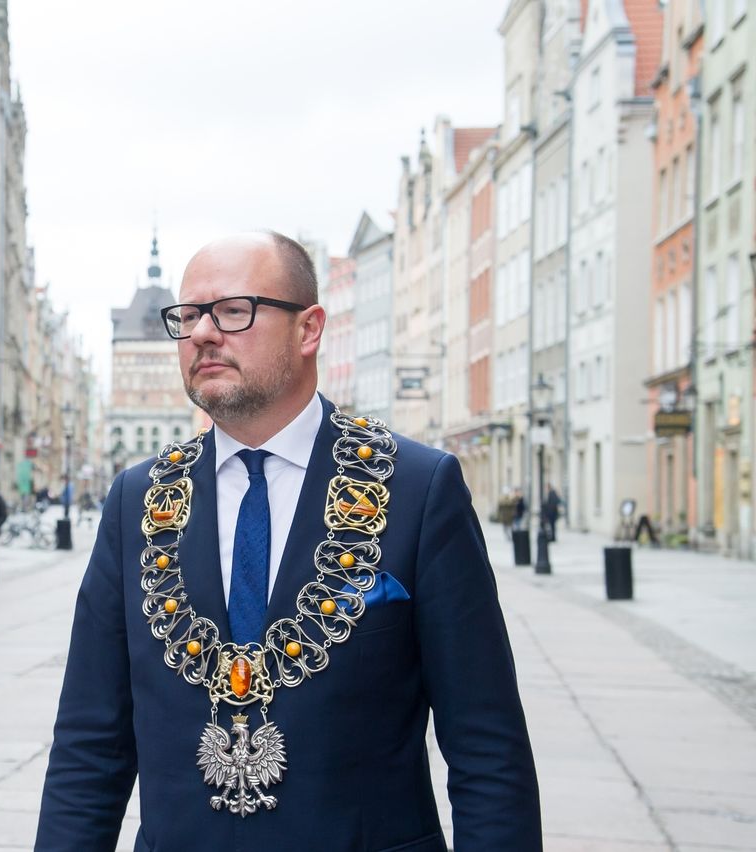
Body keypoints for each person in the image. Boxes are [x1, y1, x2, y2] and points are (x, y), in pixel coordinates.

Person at [36, 232, 540, 851]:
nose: (201, 334)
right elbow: (90, 744)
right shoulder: (138, 500)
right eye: (188, 315)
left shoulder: (413, 488)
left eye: (233, 311)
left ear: (309, 329)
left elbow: (486, 745)